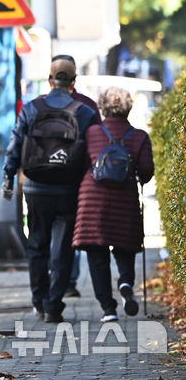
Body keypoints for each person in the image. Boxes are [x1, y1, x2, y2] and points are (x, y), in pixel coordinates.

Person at [2, 57, 99, 322]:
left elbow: (15, 144)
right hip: (69, 189)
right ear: (73, 82)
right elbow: (95, 152)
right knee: (64, 249)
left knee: (37, 245)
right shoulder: (84, 112)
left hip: (36, 188)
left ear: (49, 80)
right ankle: (54, 303)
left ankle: (39, 302)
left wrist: (9, 176)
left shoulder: (32, 109)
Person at [72, 86, 154, 322]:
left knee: (97, 254)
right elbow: (147, 172)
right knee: (124, 246)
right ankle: (126, 282)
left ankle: (108, 309)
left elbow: (80, 163)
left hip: (92, 200)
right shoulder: (139, 136)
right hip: (124, 198)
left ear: (103, 107)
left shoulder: (92, 133)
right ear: (128, 107)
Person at [49, 55, 102, 298]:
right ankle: (67, 281)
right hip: (78, 180)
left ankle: (51, 286)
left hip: (43, 179)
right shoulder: (88, 106)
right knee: (73, 231)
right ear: (74, 78)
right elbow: (97, 143)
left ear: (50, 78)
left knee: (48, 234)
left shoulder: (38, 104)